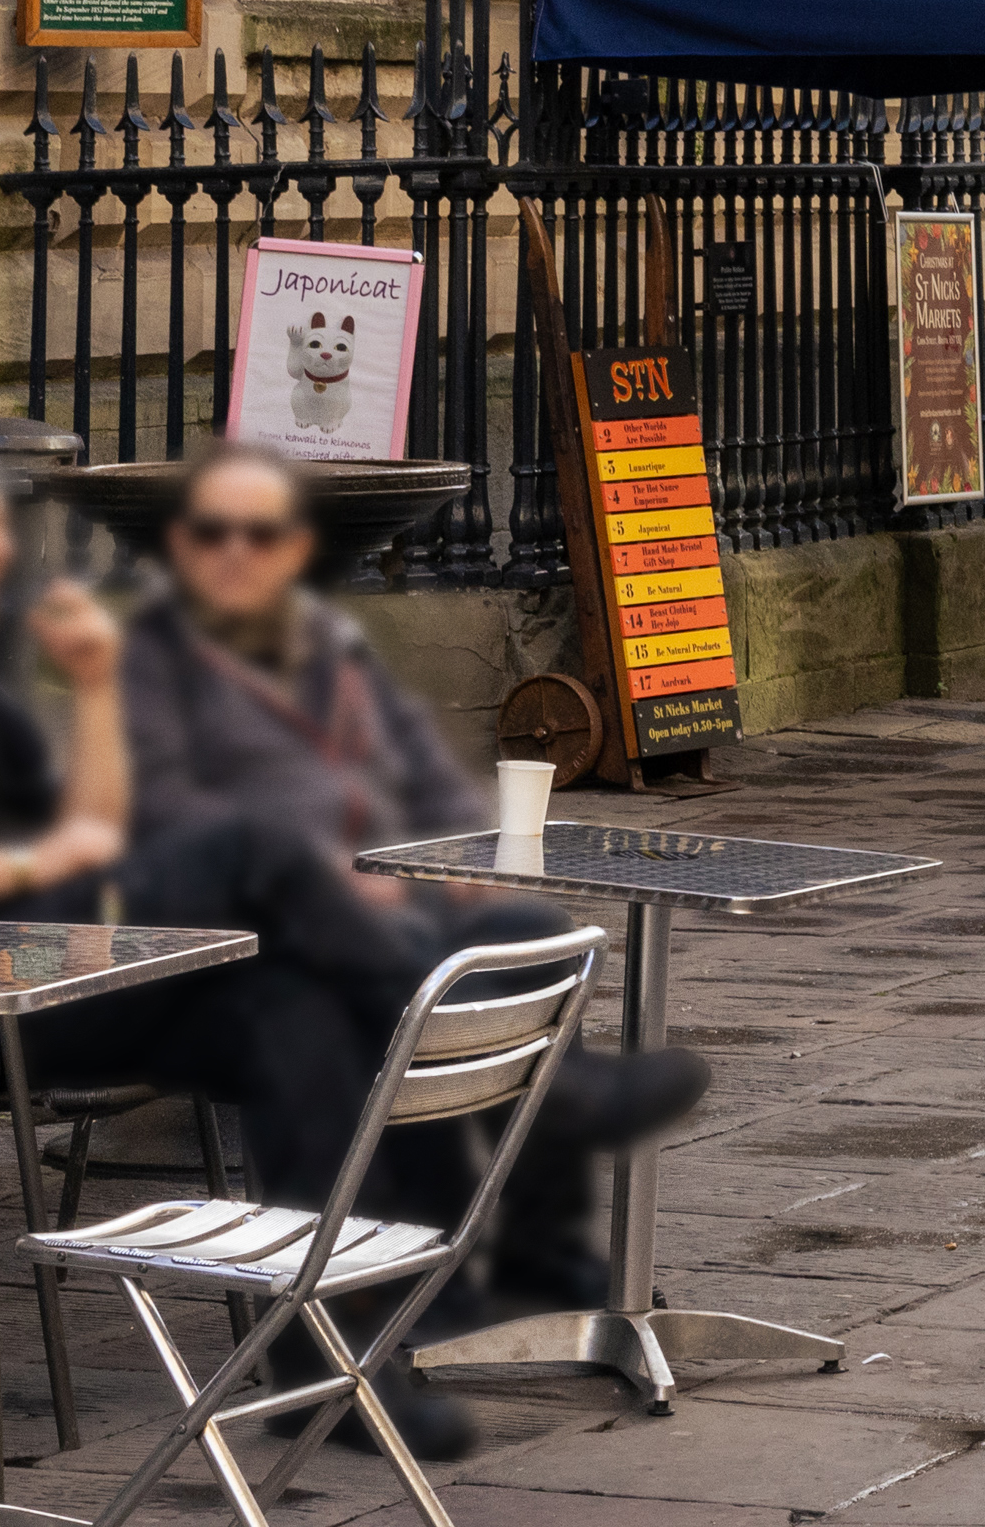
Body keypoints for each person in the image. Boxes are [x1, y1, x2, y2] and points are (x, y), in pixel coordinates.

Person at [0, 437, 677, 1458]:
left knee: (302, 1019)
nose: (4, 557)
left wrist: (90, 691)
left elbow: (88, 821)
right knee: (258, 850)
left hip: (52, 959)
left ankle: (335, 1362)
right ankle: (506, 1055)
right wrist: (40, 860)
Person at [118, 439, 695, 1318]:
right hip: (234, 940)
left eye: (261, 533)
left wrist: (453, 862)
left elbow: (423, 778)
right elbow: (184, 832)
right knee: (412, 996)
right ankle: (453, 1236)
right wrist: (347, 881)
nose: (238, 551)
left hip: (361, 903)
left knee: (523, 936)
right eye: (214, 531)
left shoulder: (326, 648)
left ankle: (542, 1254)